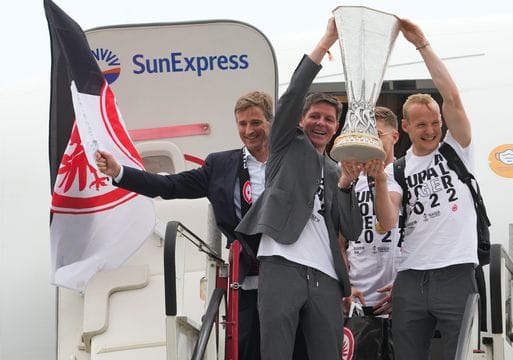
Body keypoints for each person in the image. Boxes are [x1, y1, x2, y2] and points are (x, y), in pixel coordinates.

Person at [95, 91, 273, 360]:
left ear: (270, 122)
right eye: (242, 124)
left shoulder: (288, 162)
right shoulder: (220, 165)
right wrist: (120, 172)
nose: (249, 130)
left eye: (256, 122)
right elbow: (170, 186)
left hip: (288, 275)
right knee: (246, 348)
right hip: (246, 280)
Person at [235, 17, 362, 360]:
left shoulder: (338, 170)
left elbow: (353, 229)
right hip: (282, 262)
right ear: (301, 120)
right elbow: (292, 94)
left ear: (336, 129)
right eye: (315, 116)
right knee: (276, 352)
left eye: (329, 119)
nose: (321, 123)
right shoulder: (285, 145)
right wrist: (326, 41)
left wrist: (349, 185)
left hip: (326, 274)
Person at [371, 19, 478, 360]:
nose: (430, 130)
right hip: (412, 277)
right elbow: (387, 222)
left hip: (457, 271)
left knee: (457, 353)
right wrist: (379, 180)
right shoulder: (397, 169)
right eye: (421, 125)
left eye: (435, 123)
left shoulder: (456, 149)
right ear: (405, 127)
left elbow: (452, 96)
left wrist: (422, 45)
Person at [341, 106, 401, 360]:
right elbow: (339, 242)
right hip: (358, 303)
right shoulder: (351, 179)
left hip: (397, 300)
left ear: (394, 136)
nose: (372, 144)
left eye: (378, 135)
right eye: (368, 137)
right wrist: (346, 284)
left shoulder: (404, 173)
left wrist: (406, 285)